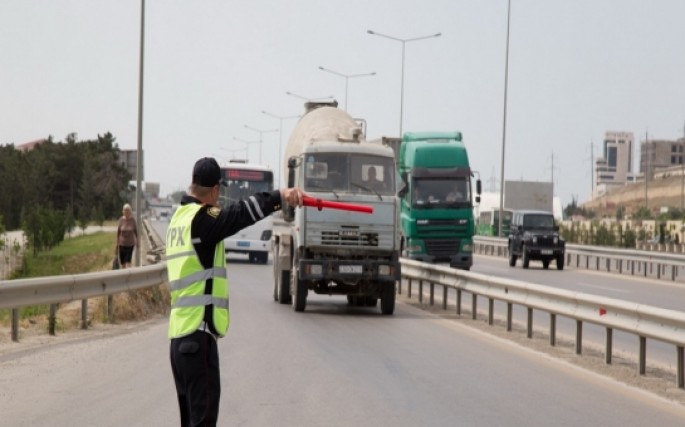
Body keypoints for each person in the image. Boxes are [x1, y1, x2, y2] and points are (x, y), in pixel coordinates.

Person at [166, 157, 306, 426]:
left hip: (178, 341)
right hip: (198, 337)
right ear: (215, 191)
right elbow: (241, 213)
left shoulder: (178, 219)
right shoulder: (202, 220)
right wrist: (280, 196)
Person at [116, 203, 138, 269]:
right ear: (123, 211)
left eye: (128, 210)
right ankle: (124, 275)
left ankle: (128, 275)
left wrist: (138, 242)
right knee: (123, 263)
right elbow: (118, 232)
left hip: (130, 244)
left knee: (128, 261)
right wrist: (117, 244)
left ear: (130, 211)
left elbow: (136, 232)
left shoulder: (133, 220)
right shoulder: (121, 220)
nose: (126, 211)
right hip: (122, 244)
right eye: (125, 210)